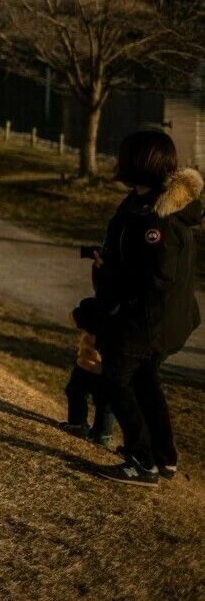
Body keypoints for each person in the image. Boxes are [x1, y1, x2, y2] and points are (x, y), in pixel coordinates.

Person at [92, 130, 201, 486]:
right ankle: (163, 456)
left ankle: (142, 461)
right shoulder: (146, 202)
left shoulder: (159, 216)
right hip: (163, 319)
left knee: (116, 378)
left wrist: (113, 279)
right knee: (144, 379)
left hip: (149, 321)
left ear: (138, 163)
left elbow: (158, 277)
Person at [62, 295, 115, 449]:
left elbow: (73, 319)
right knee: (105, 403)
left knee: (75, 391)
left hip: (87, 365)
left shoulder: (93, 307)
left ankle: (78, 423)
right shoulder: (124, 311)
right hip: (109, 368)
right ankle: (103, 433)